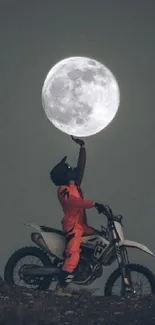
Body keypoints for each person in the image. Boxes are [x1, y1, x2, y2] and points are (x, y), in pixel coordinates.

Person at [50, 136, 107, 292]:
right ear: (63, 175)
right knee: (73, 254)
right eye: (68, 170)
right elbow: (74, 202)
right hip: (73, 226)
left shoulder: (74, 185)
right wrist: (94, 204)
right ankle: (61, 287)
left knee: (99, 238)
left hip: (82, 225)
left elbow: (80, 168)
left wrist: (83, 147)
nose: (71, 171)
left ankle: (86, 267)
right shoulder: (63, 190)